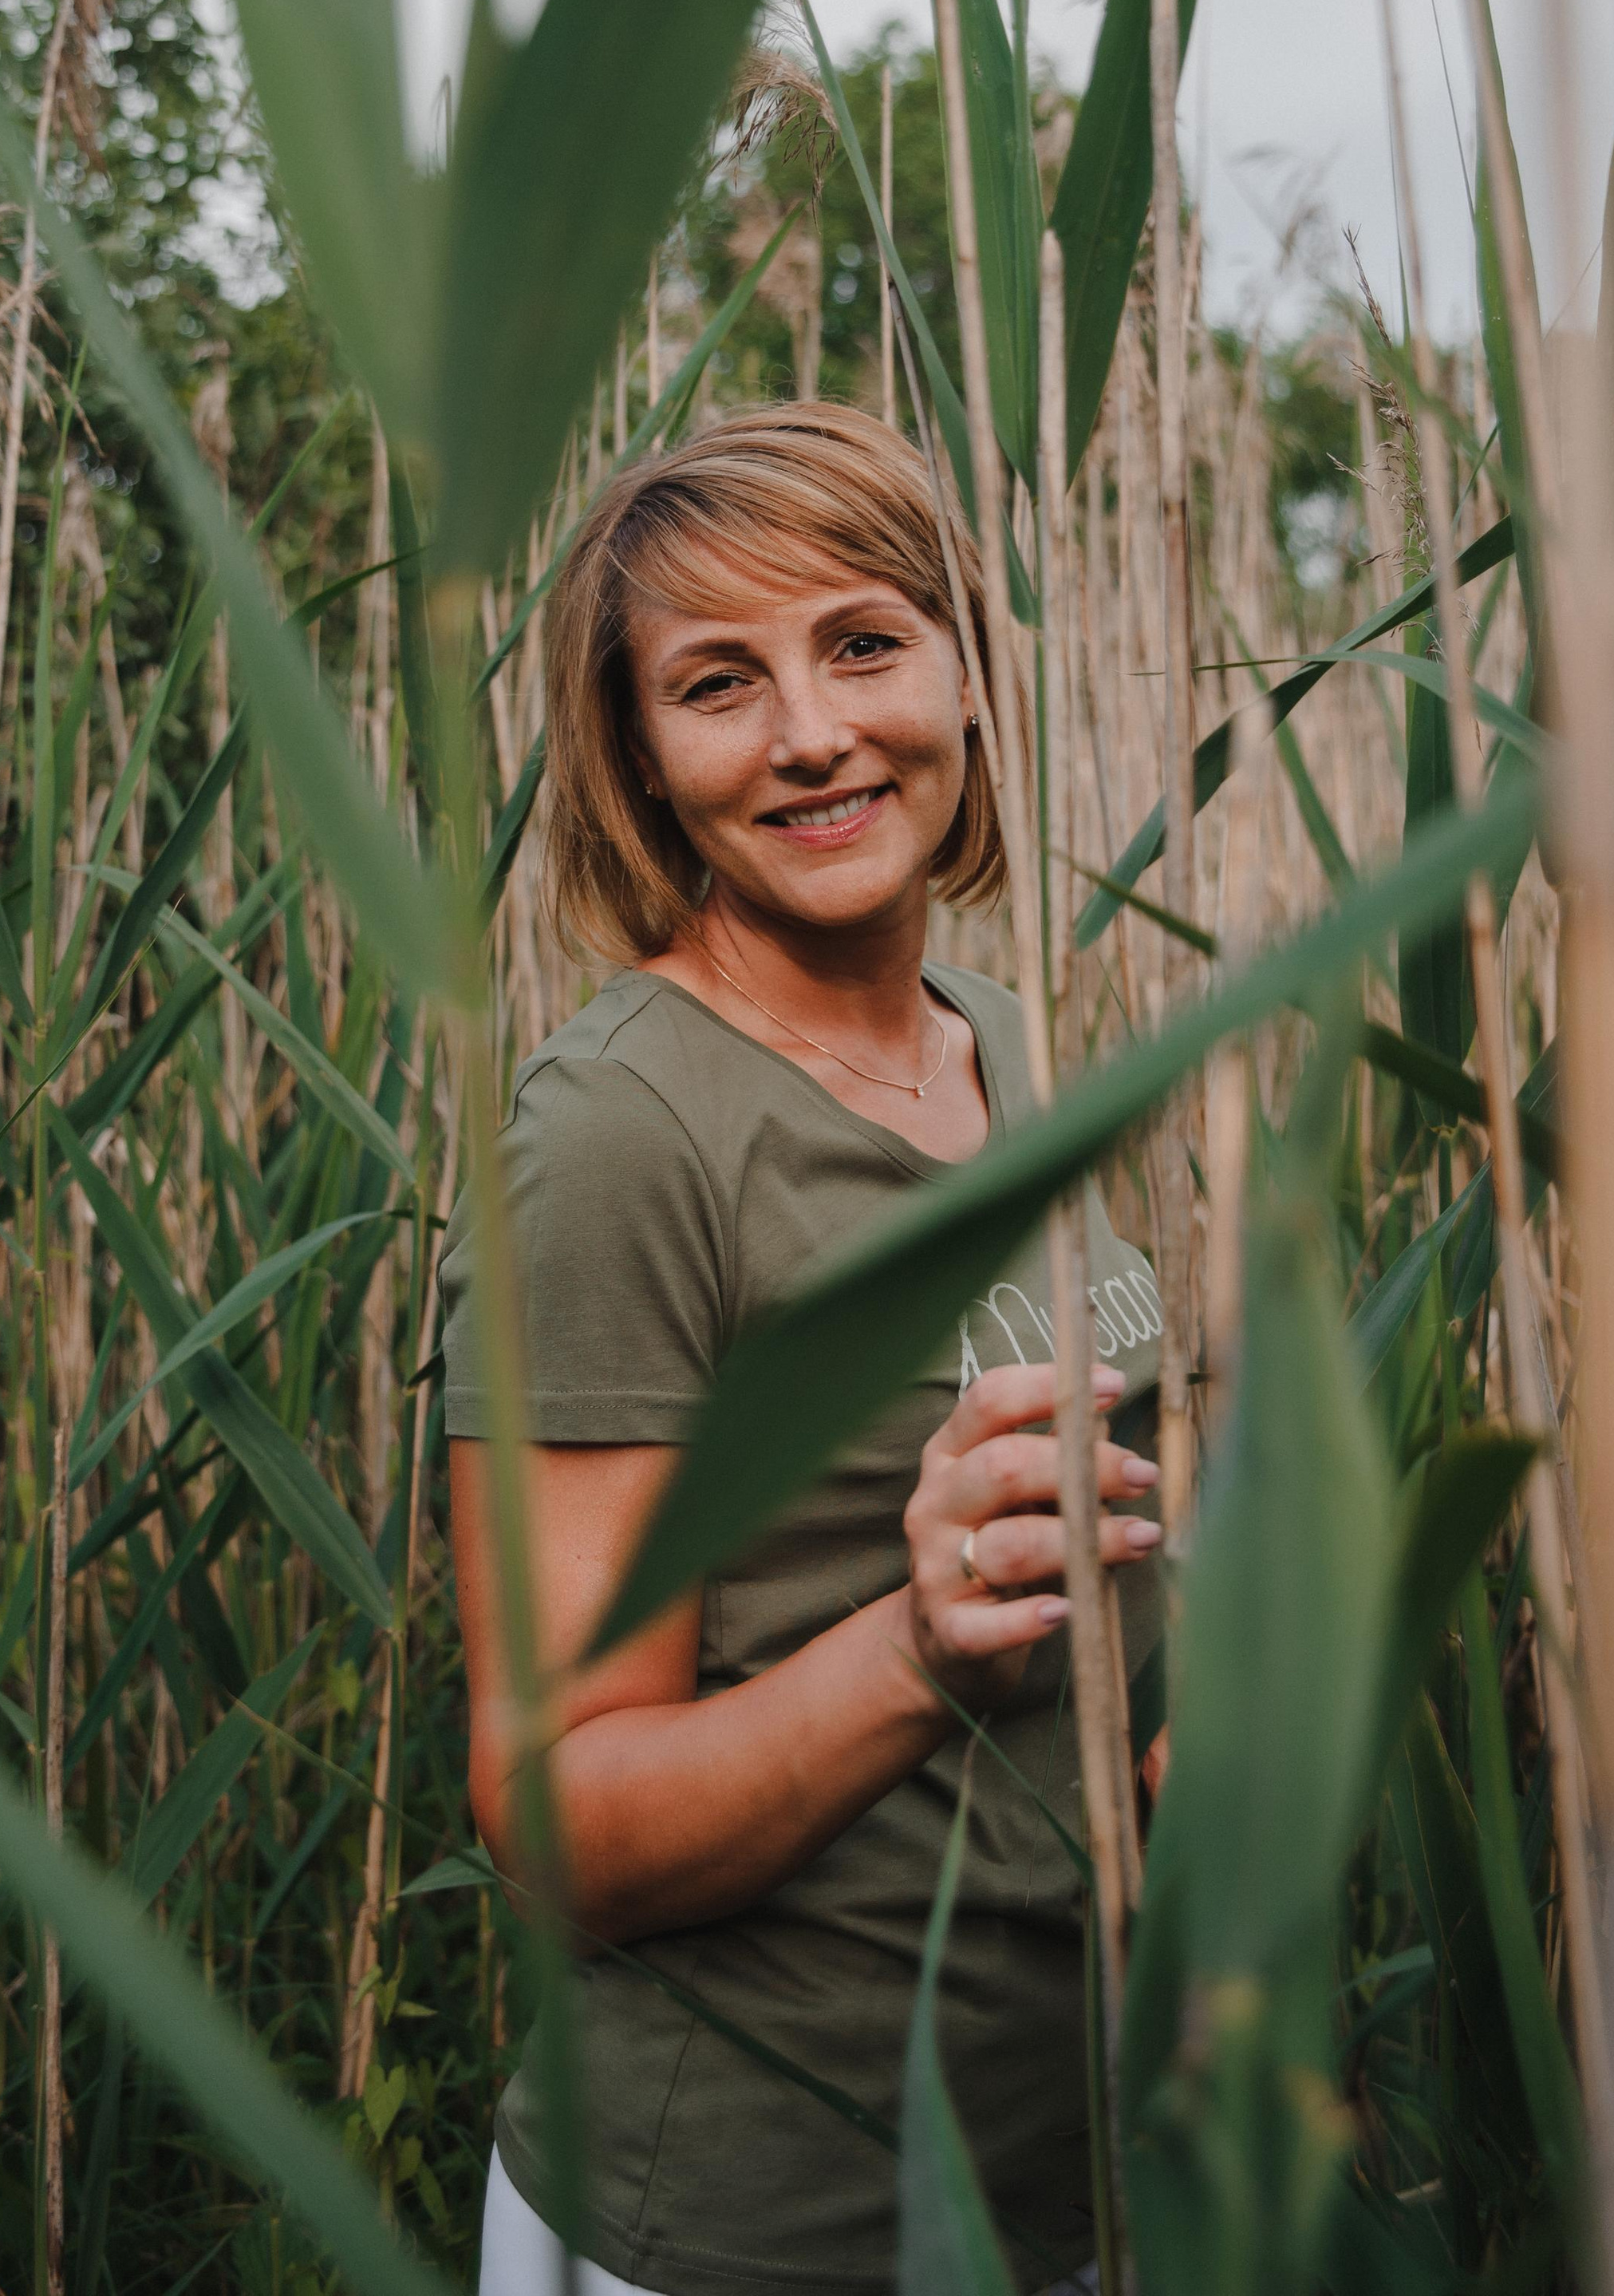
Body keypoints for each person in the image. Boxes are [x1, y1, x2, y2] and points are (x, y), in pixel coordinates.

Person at [441, 401, 1165, 2296]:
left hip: (1067, 2177)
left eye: (860, 640)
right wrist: (921, 1641)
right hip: (764, 2218)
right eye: (714, 682)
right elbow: (552, 1809)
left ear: (966, 673)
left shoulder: (1017, 1039)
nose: (812, 731)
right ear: (644, 764)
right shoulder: (619, 1132)